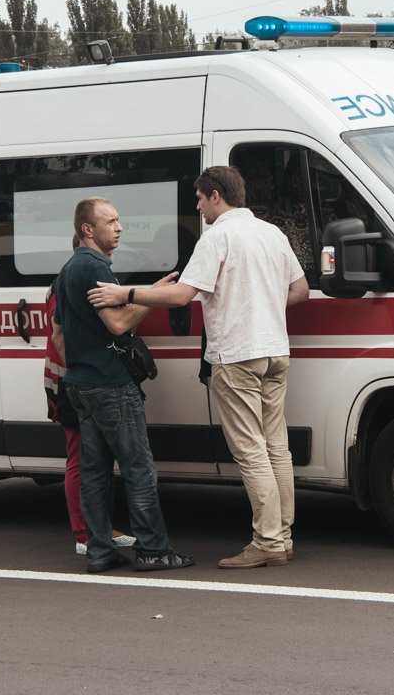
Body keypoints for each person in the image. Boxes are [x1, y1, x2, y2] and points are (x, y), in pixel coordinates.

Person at [88, 166, 310, 569]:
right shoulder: (272, 233)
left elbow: (180, 296)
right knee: (277, 447)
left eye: (198, 198)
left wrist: (125, 291)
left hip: (238, 355)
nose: (197, 207)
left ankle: (268, 542)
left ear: (214, 196)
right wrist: (262, 305)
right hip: (276, 351)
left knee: (251, 450)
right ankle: (284, 536)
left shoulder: (218, 237)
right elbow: (300, 289)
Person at [55, 197, 192, 574]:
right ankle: (153, 549)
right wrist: (152, 297)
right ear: (88, 229)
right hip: (110, 384)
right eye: (110, 221)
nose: (119, 227)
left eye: (119, 220)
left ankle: (99, 551)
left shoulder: (67, 269)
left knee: (95, 473)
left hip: (80, 383)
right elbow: (118, 324)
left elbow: (60, 332)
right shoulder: (95, 265)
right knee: (138, 469)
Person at [44, 282, 136, 557]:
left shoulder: (74, 281)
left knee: (99, 460)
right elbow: (64, 337)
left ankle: (102, 528)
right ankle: (84, 534)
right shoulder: (67, 285)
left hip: (79, 380)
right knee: (81, 458)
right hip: (70, 381)